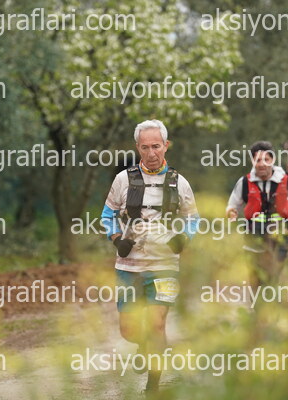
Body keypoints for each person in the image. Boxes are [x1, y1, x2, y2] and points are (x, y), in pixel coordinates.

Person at [101, 119, 199, 394]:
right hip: (129, 265)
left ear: (166, 145)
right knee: (128, 331)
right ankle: (143, 345)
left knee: (157, 325)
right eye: (145, 147)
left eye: (156, 146)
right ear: (138, 148)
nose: (151, 153)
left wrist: (184, 238)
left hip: (165, 266)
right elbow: (107, 215)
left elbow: (193, 219)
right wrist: (116, 239)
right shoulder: (123, 180)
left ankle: (153, 387)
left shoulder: (179, 183)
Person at [226, 141, 288, 283]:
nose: (261, 164)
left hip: (278, 234)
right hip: (254, 234)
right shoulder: (244, 182)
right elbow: (233, 204)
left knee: (273, 274)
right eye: (257, 160)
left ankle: (271, 293)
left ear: (272, 160)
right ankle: (258, 295)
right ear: (252, 161)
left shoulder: (286, 181)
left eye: (266, 160)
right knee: (256, 276)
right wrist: (232, 212)